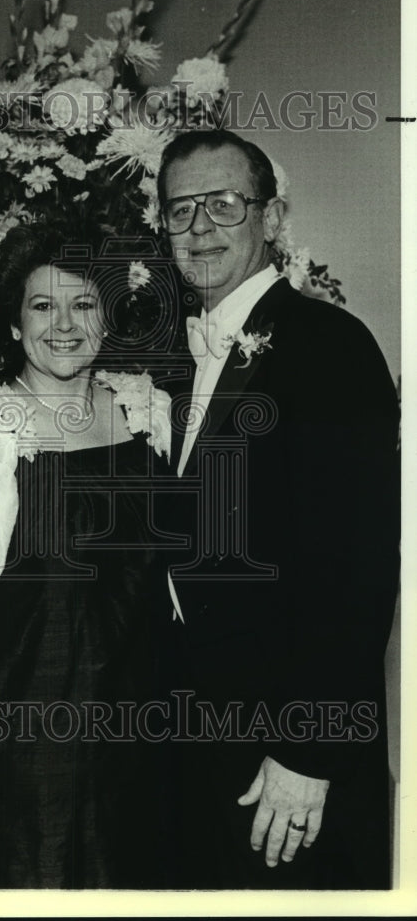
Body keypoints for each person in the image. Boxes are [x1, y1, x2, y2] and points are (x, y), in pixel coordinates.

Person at [157, 128, 400, 888]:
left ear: (270, 218)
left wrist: (307, 751)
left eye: (224, 204)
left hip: (289, 760)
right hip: (199, 743)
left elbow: (358, 569)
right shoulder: (171, 356)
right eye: (179, 209)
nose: (199, 228)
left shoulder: (330, 345)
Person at [0, 224, 174, 889]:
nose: (65, 325)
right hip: (17, 753)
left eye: (83, 304)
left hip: (135, 747)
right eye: (42, 306)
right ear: (13, 324)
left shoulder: (149, 413)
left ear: (108, 316)